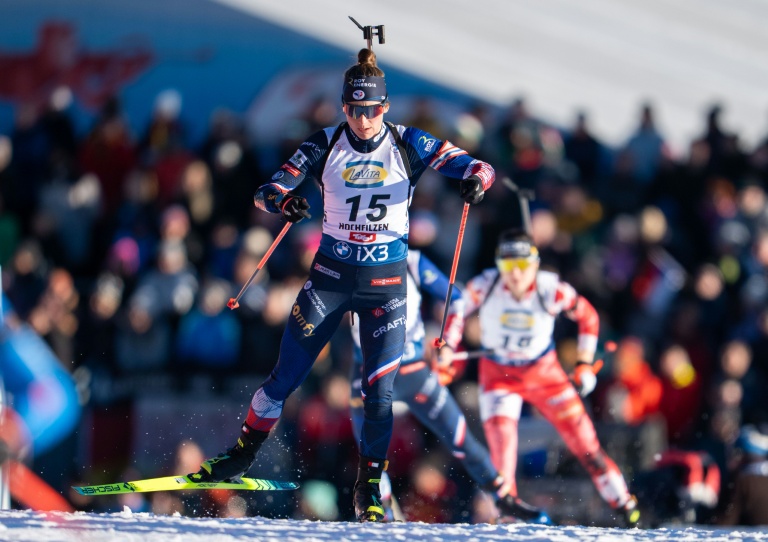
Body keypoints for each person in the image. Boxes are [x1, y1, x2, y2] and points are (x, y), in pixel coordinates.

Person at [190, 47, 496, 522]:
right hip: (331, 279)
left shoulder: (408, 142)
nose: (363, 120)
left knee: (379, 395)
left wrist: (476, 179)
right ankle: (240, 455)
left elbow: (476, 165)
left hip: (385, 285)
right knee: (283, 379)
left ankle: (369, 488)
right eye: (354, 110)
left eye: (371, 110)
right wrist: (282, 202)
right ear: (343, 107)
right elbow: (268, 189)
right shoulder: (324, 142)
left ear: (385, 107)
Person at [443, 228, 641, 527]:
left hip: (544, 373)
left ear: (535, 264)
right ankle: (505, 518)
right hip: (500, 374)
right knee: (502, 455)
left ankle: (623, 503)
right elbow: (456, 308)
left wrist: (584, 364)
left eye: (523, 265)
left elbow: (588, 317)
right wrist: (447, 344)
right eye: (508, 266)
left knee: (585, 442)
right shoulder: (487, 283)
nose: (516, 274)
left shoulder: (551, 289)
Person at [348, 249, 552, 524]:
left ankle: (503, 501)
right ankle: (379, 508)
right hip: (368, 373)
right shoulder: (348, 258)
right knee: (369, 451)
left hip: (414, 371)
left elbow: (457, 299)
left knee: (462, 440)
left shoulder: (411, 261)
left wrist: (448, 340)